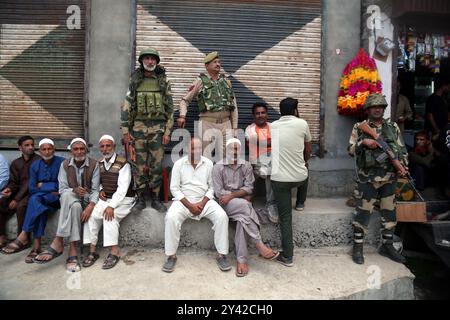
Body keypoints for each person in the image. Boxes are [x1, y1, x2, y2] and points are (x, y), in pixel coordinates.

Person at [348, 93, 408, 265]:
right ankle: (358, 247)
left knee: (389, 213)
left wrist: (403, 166)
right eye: (374, 107)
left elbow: (401, 149)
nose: (378, 109)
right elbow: (350, 149)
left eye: (381, 107)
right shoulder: (360, 127)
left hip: (389, 178)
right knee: (363, 213)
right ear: (368, 109)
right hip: (368, 178)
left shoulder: (393, 127)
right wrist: (363, 143)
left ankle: (387, 246)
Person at [162, 137, 230, 273]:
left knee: (222, 216)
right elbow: (174, 189)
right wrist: (190, 206)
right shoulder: (179, 164)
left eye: (199, 148)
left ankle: (222, 255)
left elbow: (212, 188)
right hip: (183, 201)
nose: (196, 151)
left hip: (204, 200)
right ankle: (171, 256)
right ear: (188, 149)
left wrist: (202, 203)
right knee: (170, 217)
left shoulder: (209, 163)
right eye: (193, 148)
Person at [213, 138, 279, 277]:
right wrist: (238, 196)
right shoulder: (218, 167)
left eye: (237, 148)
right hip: (225, 205)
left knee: (242, 221)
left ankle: (241, 261)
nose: (234, 151)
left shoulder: (246, 166)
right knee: (245, 205)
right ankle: (259, 244)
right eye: (232, 148)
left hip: (240, 204)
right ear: (226, 150)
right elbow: (219, 193)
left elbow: (249, 188)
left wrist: (233, 196)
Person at [34, 138, 99, 272]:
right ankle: (72, 252)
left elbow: (95, 190)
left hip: (87, 200)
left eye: (82, 149)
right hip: (71, 199)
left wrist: (90, 206)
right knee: (73, 203)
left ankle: (58, 240)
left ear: (86, 150)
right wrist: (74, 189)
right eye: (76, 149)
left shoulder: (94, 164)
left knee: (69, 198)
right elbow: (62, 189)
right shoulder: (64, 165)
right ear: (71, 151)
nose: (79, 151)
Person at [121, 48, 174, 213]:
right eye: (147, 59)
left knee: (156, 165)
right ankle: (141, 198)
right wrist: (125, 131)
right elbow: (127, 106)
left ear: (156, 62)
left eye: (153, 59)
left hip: (157, 130)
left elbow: (170, 109)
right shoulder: (135, 81)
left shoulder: (163, 82)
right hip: (138, 129)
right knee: (138, 165)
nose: (150, 62)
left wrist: (167, 132)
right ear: (142, 61)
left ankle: (156, 197)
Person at [1, 139, 64, 264]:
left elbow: (61, 186)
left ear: (54, 149)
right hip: (42, 199)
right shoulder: (35, 165)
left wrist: (43, 186)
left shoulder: (62, 162)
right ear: (40, 151)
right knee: (38, 205)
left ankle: (27, 237)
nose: (47, 152)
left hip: (56, 200)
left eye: (49, 148)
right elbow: (32, 188)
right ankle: (36, 247)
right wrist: (49, 187)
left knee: (35, 201)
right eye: (44, 149)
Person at [82, 135, 135, 270]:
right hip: (107, 198)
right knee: (92, 215)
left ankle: (114, 252)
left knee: (109, 216)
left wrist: (111, 206)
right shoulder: (99, 163)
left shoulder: (123, 164)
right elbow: (99, 183)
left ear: (114, 147)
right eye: (102, 146)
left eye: (108, 146)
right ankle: (92, 251)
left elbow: (123, 189)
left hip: (124, 199)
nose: (105, 149)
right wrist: (100, 190)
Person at [270, 98, 312, 267]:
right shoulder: (303, 124)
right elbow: (308, 149)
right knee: (306, 170)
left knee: (285, 219)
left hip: (279, 180)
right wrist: (304, 161)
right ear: (295, 110)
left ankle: (288, 257)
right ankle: (301, 202)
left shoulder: (272, 126)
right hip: (299, 178)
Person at [177, 51, 238, 159]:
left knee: (226, 158)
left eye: (219, 62)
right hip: (206, 124)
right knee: (205, 158)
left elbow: (234, 106)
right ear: (207, 65)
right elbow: (184, 101)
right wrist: (182, 116)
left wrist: (234, 127)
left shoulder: (226, 82)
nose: (218, 64)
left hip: (225, 124)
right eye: (214, 62)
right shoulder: (200, 82)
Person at [0, 136, 40, 249]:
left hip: (32, 191)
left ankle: (23, 240)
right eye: (27, 145)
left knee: (21, 206)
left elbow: (30, 182)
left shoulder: (38, 161)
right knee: (1, 201)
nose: (31, 147)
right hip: (18, 192)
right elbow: (13, 182)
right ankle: (1, 236)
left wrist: (16, 199)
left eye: (32, 145)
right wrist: (9, 189)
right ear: (20, 148)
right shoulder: (16, 163)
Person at [244, 102, 278, 223]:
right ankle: (271, 204)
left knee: (272, 168)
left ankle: (272, 204)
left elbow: (278, 142)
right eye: (257, 113)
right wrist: (271, 141)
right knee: (271, 170)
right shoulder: (250, 129)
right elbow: (255, 142)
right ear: (254, 116)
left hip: (274, 159)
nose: (260, 115)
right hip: (258, 161)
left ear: (267, 114)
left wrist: (265, 142)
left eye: (263, 112)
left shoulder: (274, 126)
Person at [425, 78, 450, 144]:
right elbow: (430, 115)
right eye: (448, 87)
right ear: (444, 86)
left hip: (442, 130)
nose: (449, 89)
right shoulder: (432, 98)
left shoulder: (443, 99)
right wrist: (436, 129)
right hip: (435, 131)